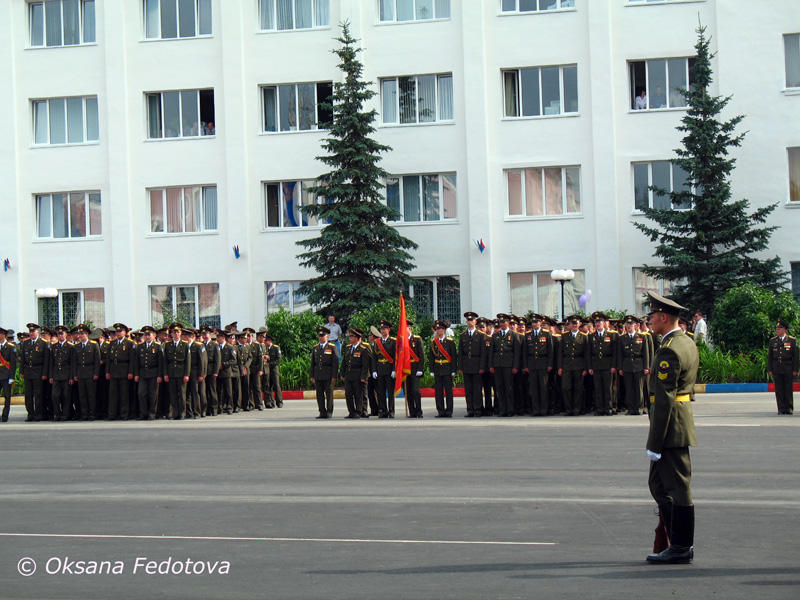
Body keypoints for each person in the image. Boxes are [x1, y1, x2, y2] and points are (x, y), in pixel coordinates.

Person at [645, 291, 699, 565]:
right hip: (675, 422)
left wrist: (654, 444)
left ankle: (680, 546)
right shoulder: (684, 342)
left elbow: (664, 400)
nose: (649, 320)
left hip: (670, 426)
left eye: (652, 316)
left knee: (678, 487)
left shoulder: (669, 349)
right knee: (657, 484)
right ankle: (672, 538)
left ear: (664, 317)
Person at [617, 315, 651, 416]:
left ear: (636, 326)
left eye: (631, 324)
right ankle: (631, 408)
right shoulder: (622, 338)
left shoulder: (642, 337)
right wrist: (620, 367)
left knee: (638, 388)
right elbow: (620, 354)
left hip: (638, 364)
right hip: (627, 364)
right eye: (627, 324)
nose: (628, 326)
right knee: (629, 388)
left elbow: (646, 353)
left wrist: (646, 366)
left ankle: (639, 407)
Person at [522, 313, 553, 417]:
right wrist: (526, 365)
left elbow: (550, 351)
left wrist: (549, 364)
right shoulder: (528, 335)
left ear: (540, 323)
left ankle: (544, 409)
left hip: (543, 363)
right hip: (532, 364)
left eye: (536, 322)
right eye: (533, 322)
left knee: (543, 388)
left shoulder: (546, 334)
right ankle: (536, 409)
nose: (534, 324)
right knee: (534, 388)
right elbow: (525, 352)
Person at [490, 314, 521, 417]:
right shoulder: (495, 336)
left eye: (504, 322)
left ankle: (510, 409)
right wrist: (491, 365)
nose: (502, 324)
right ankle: (502, 409)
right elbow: (492, 352)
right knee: (500, 388)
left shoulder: (514, 335)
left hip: (509, 365)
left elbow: (517, 352)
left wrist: (515, 366)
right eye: (500, 322)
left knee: (509, 388)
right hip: (498, 365)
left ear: (508, 323)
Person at [557, 315, 589, 416]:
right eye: (572, 323)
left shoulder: (584, 337)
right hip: (567, 365)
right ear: (569, 325)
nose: (574, 325)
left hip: (579, 365)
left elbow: (586, 354)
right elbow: (560, 353)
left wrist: (585, 368)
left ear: (579, 324)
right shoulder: (565, 336)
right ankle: (568, 409)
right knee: (566, 388)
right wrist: (560, 367)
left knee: (578, 388)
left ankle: (576, 409)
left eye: (576, 323)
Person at [588, 312, 617, 416]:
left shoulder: (611, 335)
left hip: (607, 364)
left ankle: (608, 407)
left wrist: (614, 366)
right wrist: (590, 367)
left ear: (604, 323)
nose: (597, 324)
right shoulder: (591, 336)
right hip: (596, 364)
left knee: (608, 387)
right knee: (598, 387)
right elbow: (589, 353)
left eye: (599, 322)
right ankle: (599, 408)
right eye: (596, 322)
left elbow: (614, 352)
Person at [459, 312, 487, 418]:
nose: (470, 322)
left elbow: (483, 353)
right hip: (466, 365)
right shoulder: (463, 335)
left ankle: (478, 409)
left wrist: (482, 367)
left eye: (472, 320)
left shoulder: (481, 335)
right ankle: (470, 409)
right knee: (468, 389)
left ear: (475, 322)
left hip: (476, 364)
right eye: (468, 320)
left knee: (477, 389)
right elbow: (461, 352)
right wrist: (460, 367)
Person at [767, 319, 798, 415]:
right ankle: (781, 408)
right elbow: (770, 357)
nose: (777, 330)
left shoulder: (792, 341)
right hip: (777, 367)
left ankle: (789, 408)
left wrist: (795, 369)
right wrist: (770, 369)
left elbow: (796, 357)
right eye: (777, 328)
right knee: (779, 389)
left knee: (788, 388)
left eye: (779, 328)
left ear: (785, 330)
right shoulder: (773, 341)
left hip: (788, 367)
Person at [20, 323, 49, 422]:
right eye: (30, 332)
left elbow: (46, 360)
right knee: (28, 394)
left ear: (38, 332)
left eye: (33, 331)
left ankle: (38, 414)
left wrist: (44, 373)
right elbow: (23, 359)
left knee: (38, 394)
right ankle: (30, 414)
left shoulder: (43, 343)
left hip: (38, 371)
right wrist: (21, 371)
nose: (31, 333)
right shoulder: (26, 343)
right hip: (28, 371)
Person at [106, 323, 136, 421]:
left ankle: (124, 414)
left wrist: (131, 372)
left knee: (124, 394)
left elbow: (132, 360)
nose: (118, 333)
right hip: (114, 370)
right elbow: (108, 359)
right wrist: (107, 371)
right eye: (117, 331)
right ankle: (112, 414)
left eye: (120, 331)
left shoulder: (129, 343)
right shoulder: (112, 343)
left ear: (125, 332)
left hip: (124, 370)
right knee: (113, 394)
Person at [339, 328, 371, 419]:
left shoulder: (363, 349)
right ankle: (351, 412)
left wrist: (363, 376)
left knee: (359, 395)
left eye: (352, 337)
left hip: (358, 375)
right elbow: (345, 362)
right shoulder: (348, 347)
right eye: (350, 336)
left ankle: (358, 411)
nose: (350, 338)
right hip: (349, 374)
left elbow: (365, 365)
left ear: (357, 338)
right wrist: (342, 373)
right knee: (348, 394)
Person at [133, 325, 163, 420]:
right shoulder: (140, 346)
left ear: (154, 335)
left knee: (153, 394)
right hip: (143, 373)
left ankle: (152, 413)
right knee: (141, 393)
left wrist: (159, 375)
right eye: (145, 335)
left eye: (149, 335)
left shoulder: (158, 347)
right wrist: (137, 374)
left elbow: (160, 363)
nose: (147, 337)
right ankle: (143, 413)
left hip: (154, 372)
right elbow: (137, 362)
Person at [429, 320, 457, 418]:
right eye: (436, 329)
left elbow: (453, 356)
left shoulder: (450, 342)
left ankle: (449, 411)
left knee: (448, 391)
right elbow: (431, 357)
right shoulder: (433, 342)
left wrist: (454, 370)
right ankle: (440, 411)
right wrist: (431, 370)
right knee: (438, 391)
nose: (438, 331)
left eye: (440, 329)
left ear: (444, 330)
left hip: (447, 368)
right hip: (437, 369)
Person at [163, 323, 191, 420]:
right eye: (174, 332)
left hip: (181, 371)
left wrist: (186, 374)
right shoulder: (168, 345)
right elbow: (165, 361)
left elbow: (188, 361)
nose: (176, 334)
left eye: (177, 332)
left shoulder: (185, 345)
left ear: (181, 333)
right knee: (173, 394)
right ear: (171, 333)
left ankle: (182, 413)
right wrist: (165, 373)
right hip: (171, 371)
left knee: (182, 394)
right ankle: (175, 413)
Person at [310, 326, 339, 419]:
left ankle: (329, 411)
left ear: (327, 337)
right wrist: (312, 375)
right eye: (320, 336)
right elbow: (313, 363)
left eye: (323, 335)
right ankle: (322, 411)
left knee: (329, 394)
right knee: (319, 394)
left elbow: (335, 363)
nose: (321, 337)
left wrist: (334, 375)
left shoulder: (331, 347)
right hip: (318, 374)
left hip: (328, 374)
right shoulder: (315, 348)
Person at [48, 325, 75, 421]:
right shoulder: (54, 346)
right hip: (56, 374)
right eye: (59, 334)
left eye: (62, 334)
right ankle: (57, 414)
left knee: (66, 396)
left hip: (66, 374)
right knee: (54, 396)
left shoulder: (70, 347)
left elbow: (72, 363)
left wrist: (71, 377)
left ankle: (65, 415)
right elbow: (51, 362)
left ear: (66, 334)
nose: (60, 336)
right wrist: (50, 375)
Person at [371, 320, 396, 418]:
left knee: (390, 392)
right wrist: (374, 370)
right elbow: (374, 357)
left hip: (389, 369)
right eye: (381, 329)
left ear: (388, 330)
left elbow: (395, 357)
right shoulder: (377, 342)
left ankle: (391, 411)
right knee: (381, 392)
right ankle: (383, 411)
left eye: (384, 329)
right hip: (380, 369)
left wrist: (394, 369)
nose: (382, 331)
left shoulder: (393, 341)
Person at [404, 319, 425, 418]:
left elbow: (421, 355)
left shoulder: (416, 339)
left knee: (416, 390)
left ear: (409, 328)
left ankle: (419, 411)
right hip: (405, 369)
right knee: (408, 391)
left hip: (415, 368)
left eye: (405, 328)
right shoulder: (402, 341)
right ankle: (412, 411)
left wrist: (420, 369)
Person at [0, 327, 17, 422]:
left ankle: (5, 415)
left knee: (7, 396)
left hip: (6, 375)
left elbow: (13, 363)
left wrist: (12, 377)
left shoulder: (11, 347)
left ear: (4, 335)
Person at [263, 334, 283, 408]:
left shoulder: (276, 348)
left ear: (270, 341)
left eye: (266, 340)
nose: (265, 342)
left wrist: (269, 364)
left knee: (276, 385)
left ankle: (279, 401)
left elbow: (278, 360)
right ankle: (270, 402)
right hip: (266, 370)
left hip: (274, 369)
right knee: (268, 386)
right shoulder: (264, 348)